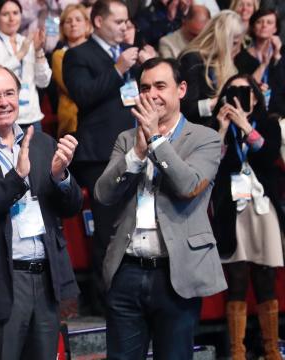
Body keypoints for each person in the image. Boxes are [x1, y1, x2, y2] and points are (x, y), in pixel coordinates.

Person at [0, 64, 83, 360]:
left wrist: (62, 178)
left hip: (46, 280)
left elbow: (71, 208)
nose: (3, 102)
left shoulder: (43, 143)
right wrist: (16, 180)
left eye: (9, 93)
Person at [95, 57, 227, 359]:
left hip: (176, 272)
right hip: (126, 270)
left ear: (180, 90)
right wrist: (137, 153)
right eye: (144, 87)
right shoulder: (127, 139)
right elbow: (103, 194)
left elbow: (187, 186)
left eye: (160, 86)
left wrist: (155, 139)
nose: (151, 94)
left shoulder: (205, 138)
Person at [63, 0, 154, 315]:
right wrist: (118, 69)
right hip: (100, 153)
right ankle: (108, 301)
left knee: (140, 223)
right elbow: (83, 95)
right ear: (98, 21)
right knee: (108, 228)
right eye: (118, 21)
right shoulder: (78, 54)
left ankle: (141, 294)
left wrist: (146, 64)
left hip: (139, 146)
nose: (123, 27)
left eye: (127, 22)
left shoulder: (130, 53)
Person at [210, 74, 283, 360]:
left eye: (244, 90)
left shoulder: (268, 123)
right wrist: (222, 129)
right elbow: (212, 163)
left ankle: (271, 349)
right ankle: (237, 351)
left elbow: (268, 156)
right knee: (237, 276)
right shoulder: (218, 127)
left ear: (255, 95)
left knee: (266, 275)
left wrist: (244, 126)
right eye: (232, 91)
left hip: (262, 206)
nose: (239, 96)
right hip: (233, 209)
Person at [0, 0, 51, 132]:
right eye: (5, 14)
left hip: (31, 118)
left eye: (15, 13)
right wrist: (20, 54)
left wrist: (38, 51)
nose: (12, 18)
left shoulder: (28, 42)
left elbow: (43, 82)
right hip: (2, 119)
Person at [179, 10, 245, 125]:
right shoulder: (192, 59)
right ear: (222, 40)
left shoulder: (226, 62)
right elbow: (186, 108)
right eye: (234, 43)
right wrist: (217, 102)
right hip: (195, 133)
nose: (237, 49)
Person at [234, 8, 285, 117]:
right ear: (252, 27)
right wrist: (263, 65)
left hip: (280, 114)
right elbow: (244, 88)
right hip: (252, 114)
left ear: (275, 28)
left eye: (269, 22)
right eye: (259, 21)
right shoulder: (242, 57)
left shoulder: (282, 54)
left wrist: (277, 57)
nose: (264, 25)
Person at [52, 4, 92, 137]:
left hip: (100, 117)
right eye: (68, 21)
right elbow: (73, 88)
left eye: (78, 20)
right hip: (72, 120)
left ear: (87, 24)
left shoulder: (99, 50)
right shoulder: (59, 55)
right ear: (62, 27)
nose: (73, 24)